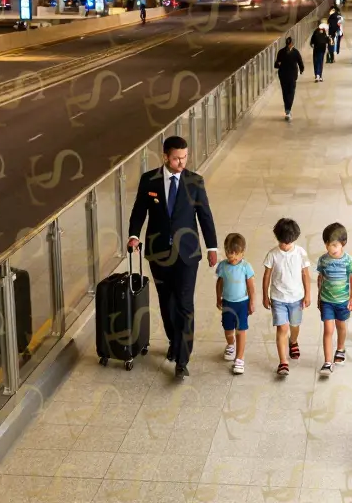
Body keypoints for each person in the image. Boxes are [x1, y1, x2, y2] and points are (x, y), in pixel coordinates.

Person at [127, 136, 219, 380]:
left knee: (185, 304)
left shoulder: (194, 181)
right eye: (177, 158)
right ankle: (174, 341)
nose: (182, 162)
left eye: (185, 157)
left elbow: (205, 216)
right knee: (167, 302)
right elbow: (139, 211)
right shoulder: (150, 180)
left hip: (187, 254)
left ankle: (182, 358)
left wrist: (212, 248)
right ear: (165, 156)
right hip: (158, 253)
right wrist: (134, 235)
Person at [262, 218, 312, 377]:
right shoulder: (272, 254)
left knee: (295, 325)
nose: (285, 246)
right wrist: (265, 295)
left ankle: (293, 341)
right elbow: (266, 276)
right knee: (282, 328)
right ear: (278, 238)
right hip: (278, 299)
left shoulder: (301, 253)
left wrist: (308, 294)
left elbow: (305, 274)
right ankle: (283, 362)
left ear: (295, 238)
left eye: (288, 242)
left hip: (297, 298)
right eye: (283, 242)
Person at [316, 222, 352, 377]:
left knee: (341, 327)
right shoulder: (323, 260)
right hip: (327, 301)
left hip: (342, 301)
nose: (330, 248)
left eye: (334, 245)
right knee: (328, 329)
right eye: (327, 244)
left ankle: (340, 348)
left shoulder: (349, 261)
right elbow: (320, 278)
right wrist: (318, 297)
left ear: (343, 244)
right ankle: (327, 362)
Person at [216, 233, 255, 376]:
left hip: (242, 303)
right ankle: (230, 344)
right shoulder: (223, 266)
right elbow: (219, 283)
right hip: (227, 302)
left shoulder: (246, 267)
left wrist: (251, 302)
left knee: (241, 330)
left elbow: (251, 286)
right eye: (229, 253)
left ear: (242, 252)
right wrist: (218, 298)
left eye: (235, 254)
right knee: (227, 329)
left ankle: (239, 358)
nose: (232, 257)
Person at [274, 37, 304, 120]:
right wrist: (301, 69)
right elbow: (276, 64)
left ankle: (288, 110)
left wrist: (301, 69)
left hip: (288, 76)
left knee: (288, 92)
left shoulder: (283, 52)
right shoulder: (293, 52)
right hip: (286, 76)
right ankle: (288, 110)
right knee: (288, 92)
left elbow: (300, 62)